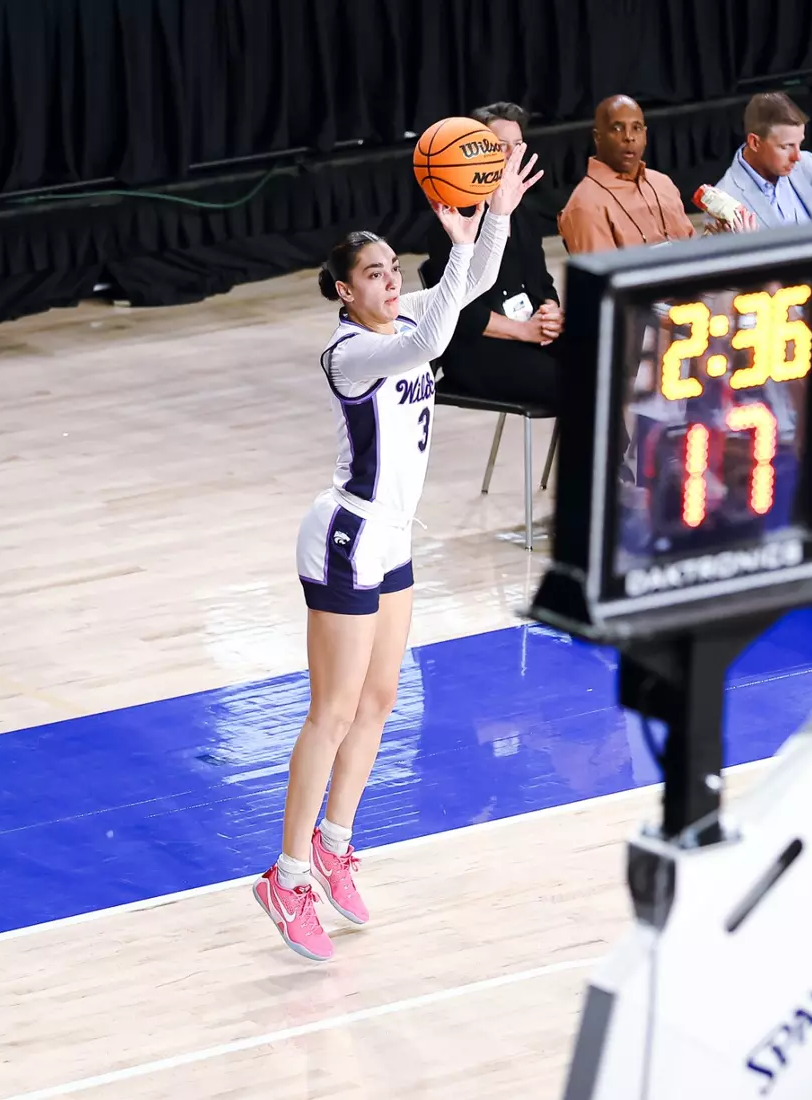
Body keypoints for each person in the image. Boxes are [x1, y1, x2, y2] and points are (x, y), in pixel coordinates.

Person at [252, 146, 543, 963]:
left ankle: (338, 843)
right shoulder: (352, 352)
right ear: (345, 291)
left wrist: (497, 220)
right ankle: (288, 873)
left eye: (390, 270)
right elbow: (444, 321)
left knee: (380, 701)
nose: (387, 282)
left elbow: (470, 292)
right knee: (332, 710)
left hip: (393, 537)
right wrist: (463, 241)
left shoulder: (410, 317)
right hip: (346, 535)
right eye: (373, 276)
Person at [423, 102, 564, 406]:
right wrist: (523, 331)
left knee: (603, 366)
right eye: (501, 147)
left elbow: (541, 282)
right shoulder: (452, 218)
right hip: (479, 349)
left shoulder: (522, 214)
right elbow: (461, 310)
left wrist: (550, 312)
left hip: (529, 333)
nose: (512, 156)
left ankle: (629, 455)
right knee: (576, 382)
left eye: (517, 146)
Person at [557, 95, 694, 253]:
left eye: (636, 128)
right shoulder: (585, 206)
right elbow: (603, 275)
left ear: (645, 135)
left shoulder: (663, 184)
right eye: (617, 128)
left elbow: (691, 251)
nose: (629, 137)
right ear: (597, 137)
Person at [706, 92, 812, 230]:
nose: (797, 157)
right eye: (786, 146)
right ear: (755, 143)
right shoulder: (723, 202)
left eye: (799, 144)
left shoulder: (808, 165)